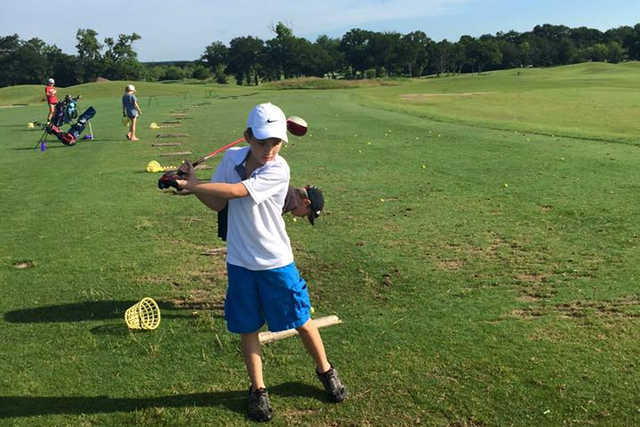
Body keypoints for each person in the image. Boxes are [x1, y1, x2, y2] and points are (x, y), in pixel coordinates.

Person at [175, 103, 345, 422]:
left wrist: (193, 184)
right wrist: (194, 185)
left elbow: (240, 191)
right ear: (248, 137)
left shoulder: (279, 169)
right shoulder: (231, 159)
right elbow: (217, 202)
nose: (269, 149)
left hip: (275, 261)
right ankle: (258, 390)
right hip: (240, 261)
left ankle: (325, 370)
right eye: (263, 142)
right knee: (248, 327)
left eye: (276, 142)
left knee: (300, 319)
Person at [217, 184, 324, 241]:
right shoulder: (285, 199)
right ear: (305, 202)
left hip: (234, 217)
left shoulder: (288, 195)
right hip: (235, 219)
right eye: (306, 214)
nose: (303, 217)